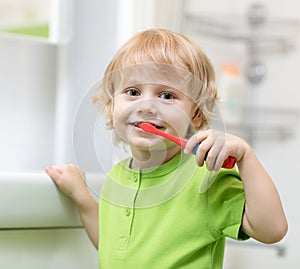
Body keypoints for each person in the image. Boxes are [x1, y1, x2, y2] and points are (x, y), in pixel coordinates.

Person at [45, 29, 288, 269]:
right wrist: (82, 197)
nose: (147, 106)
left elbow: (272, 230)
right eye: (133, 92)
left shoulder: (206, 179)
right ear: (112, 104)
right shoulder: (118, 176)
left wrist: (246, 156)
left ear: (195, 113)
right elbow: (109, 247)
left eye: (167, 95)